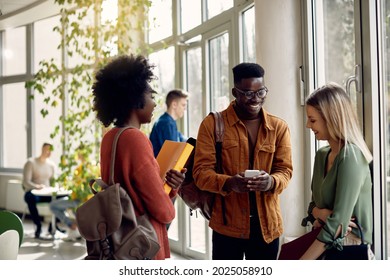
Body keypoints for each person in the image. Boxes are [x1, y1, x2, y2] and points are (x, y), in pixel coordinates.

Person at [193, 62, 293, 260]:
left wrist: (271, 182)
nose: (255, 99)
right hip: (227, 228)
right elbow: (200, 173)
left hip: (267, 228)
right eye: (247, 93)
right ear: (235, 92)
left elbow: (285, 171)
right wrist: (230, 183)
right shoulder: (212, 125)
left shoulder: (278, 127)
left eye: (261, 92)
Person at [92, 54, 186, 260]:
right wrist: (172, 195)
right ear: (135, 98)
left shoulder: (111, 137)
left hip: (119, 234)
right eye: (150, 96)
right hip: (143, 242)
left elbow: (131, 187)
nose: (154, 103)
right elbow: (164, 212)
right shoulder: (136, 139)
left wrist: (171, 185)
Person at [300, 82, 373, 260]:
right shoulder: (321, 155)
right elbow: (312, 206)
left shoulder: (351, 157)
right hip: (324, 240)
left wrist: (302, 263)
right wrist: (322, 213)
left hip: (349, 246)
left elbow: (338, 225)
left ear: (331, 118)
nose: (308, 126)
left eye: (313, 119)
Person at [23, 142, 56, 239]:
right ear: (42, 149)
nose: (48, 152)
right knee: (29, 197)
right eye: (47, 149)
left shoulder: (52, 165)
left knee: (63, 199)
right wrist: (37, 186)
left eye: (50, 150)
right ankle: (38, 226)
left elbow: (54, 182)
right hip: (34, 192)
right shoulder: (31, 162)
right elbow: (26, 182)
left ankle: (52, 226)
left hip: (47, 193)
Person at [149, 89, 188, 157]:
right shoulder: (166, 124)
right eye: (183, 105)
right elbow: (172, 154)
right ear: (174, 105)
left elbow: (183, 139)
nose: (185, 109)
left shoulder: (168, 122)